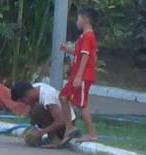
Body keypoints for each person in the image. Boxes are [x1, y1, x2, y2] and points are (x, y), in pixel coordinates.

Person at [62, 8, 99, 139]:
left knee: (83, 105)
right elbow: (79, 53)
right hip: (76, 76)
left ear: (86, 20)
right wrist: (68, 50)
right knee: (63, 97)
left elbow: (85, 56)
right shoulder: (83, 37)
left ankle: (92, 134)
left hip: (83, 76)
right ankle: (69, 127)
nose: (77, 22)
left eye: (78, 19)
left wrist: (79, 76)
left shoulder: (89, 36)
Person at [9, 79, 75, 147]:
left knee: (37, 109)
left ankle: (54, 139)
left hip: (67, 127)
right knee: (34, 109)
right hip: (60, 122)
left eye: (23, 101)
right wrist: (32, 126)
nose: (25, 103)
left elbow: (61, 121)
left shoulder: (47, 97)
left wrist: (40, 133)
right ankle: (52, 136)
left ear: (28, 94)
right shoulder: (36, 88)